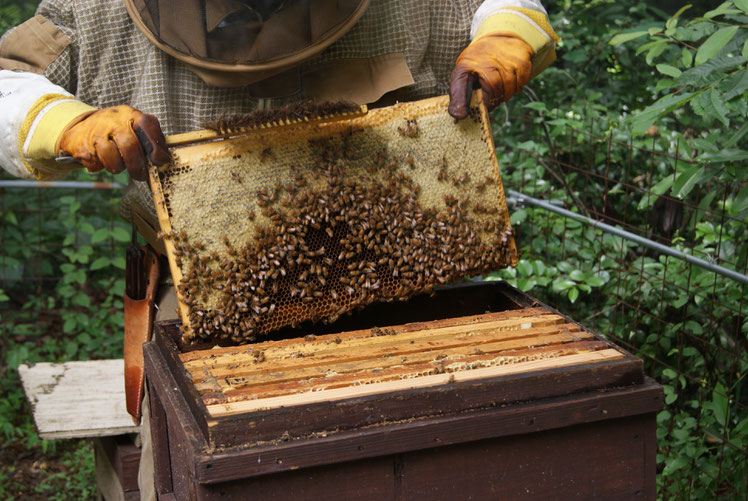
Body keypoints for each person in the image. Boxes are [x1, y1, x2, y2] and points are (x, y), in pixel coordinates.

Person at [0, 1, 558, 498]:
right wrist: (60, 121)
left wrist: (507, 29)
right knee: (194, 464)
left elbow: (501, 5)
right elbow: (9, 77)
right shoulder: (95, 13)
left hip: (403, 282)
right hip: (209, 296)